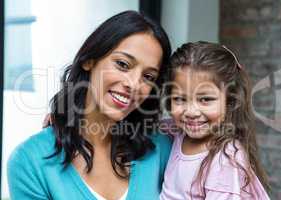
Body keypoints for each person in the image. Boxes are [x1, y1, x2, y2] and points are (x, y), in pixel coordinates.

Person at [7, 10, 172, 200]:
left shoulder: (159, 148)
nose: (134, 84)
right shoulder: (30, 161)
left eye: (148, 77)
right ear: (89, 60)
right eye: (123, 64)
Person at [159, 41, 270, 199]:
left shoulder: (225, 158)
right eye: (180, 99)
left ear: (230, 101)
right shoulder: (179, 132)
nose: (191, 112)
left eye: (205, 99)